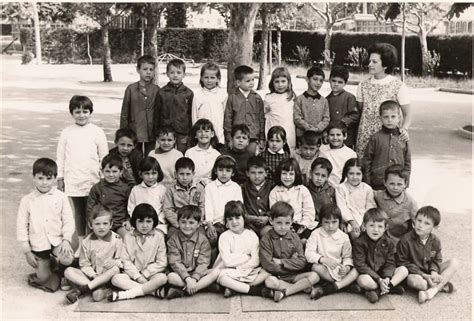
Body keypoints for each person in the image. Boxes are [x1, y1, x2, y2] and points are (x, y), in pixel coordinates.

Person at [56, 95, 108, 253]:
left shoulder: (97, 131)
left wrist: (104, 177)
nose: (81, 115)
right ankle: (81, 244)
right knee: (78, 212)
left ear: (90, 112)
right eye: (77, 111)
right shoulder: (66, 132)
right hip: (73, 177)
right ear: (72, 113)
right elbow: (61, 156)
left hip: (93, 178)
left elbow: (104, 156)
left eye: (85, 111)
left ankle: (94, 243)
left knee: (93, 211)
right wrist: (60, 176)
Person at [17, 158, 75, 292]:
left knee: (67, 257)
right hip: (39, 243)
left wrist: (66, 240)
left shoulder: (61, 197)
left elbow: (68, 220)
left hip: (57, 240)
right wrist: (27, 251)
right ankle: (49, 265)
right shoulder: (27, 200)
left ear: (55, 178)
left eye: (48, 179)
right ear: (33, 178)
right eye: (40, 178)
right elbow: (21, 226)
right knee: (44, 279)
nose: (44, 183)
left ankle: (63, 271)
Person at [356, 43, 411, 158]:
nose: (370, 64)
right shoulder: (362, 85)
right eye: (370, 61)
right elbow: (361, 111)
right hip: (364, 139)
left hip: (388, 140)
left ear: (385, 65)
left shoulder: (398, 86)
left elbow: (407, 114)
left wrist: (404, 129)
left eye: (374, 62)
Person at [397, 206, 458, 304]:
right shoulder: (405, 240)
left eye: (427, 223)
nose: (420, 225)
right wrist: (424, 275)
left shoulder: (435, 240)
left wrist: (433, 272)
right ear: (414, 221)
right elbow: (402, 262)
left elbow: (437, 259)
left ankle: (431, 292)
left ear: (435, 227)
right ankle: (442, 285)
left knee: (454, 262)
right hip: (415, 273)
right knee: (418, 283)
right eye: (419, 220)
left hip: (430, 271)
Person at [260, 201, 319, 302]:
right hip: (276, 277)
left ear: (292, 221)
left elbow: (302, 262)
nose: (283, 227)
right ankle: (299, 288)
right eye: (279, 223)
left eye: (287, 223)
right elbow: (268, 265)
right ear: (271, 221)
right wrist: (291, 262)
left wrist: (281, 262)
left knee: (315, 276)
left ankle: (285, 292)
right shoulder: (266, 239)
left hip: (294, 275)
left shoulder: (294, 237)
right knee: (269, 282)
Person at [108, 204, 167, 301]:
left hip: (152, 274)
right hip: (133, 275)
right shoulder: (128, 236)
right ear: (134, 221)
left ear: (154, 222)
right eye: (140, 221)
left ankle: (127, 294)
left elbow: (162, 262)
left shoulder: (159, 236)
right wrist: (138, 276)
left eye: (148, 221)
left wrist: (145, 274)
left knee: (163, 278)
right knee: (116, 279)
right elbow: (125, 260)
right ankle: (153, 291)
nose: (144, 225)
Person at [64, 206, 122, 304]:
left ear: (111, 224)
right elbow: (84, 264)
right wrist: (94, 275)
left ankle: (83, 289)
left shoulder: (117, 239)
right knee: (68, 271)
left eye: (105, 223)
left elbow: (122, 260)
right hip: (92, 276)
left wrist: (116, 262)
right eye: (97, 224)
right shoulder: (86, 241)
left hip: (109, 277)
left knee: (115, 268)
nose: (101, 227)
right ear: (91, 225)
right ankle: (95, 286)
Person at [214, 201, 271, 298]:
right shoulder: (224, 237)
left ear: (244, 218)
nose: (234, 222)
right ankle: (252, 290)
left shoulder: (251, 235)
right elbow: (227, 261)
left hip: (249, 270)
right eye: (230, 219)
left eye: (237, 218)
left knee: (267, 272)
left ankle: (236, 288)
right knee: (221, 277)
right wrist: (245, 257)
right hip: (229, 270)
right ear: (226, 222)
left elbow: (256, 259)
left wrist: (244, 267)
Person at [352, 208, 408, 303]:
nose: (375, 229)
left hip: (383, 275)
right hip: (370, 276)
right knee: (363, 280)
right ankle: (388, 288)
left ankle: (379, 291)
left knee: (403, 270)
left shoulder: (389, 242)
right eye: (372, 225)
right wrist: (379, 280)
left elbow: (390, 263)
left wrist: (386, 277)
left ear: (385, 228)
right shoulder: (359, 242)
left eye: (380, 226)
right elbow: (360, 265)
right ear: (364, 226)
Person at [305, 204, 360, 300]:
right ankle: (344, 285)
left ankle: (334, 285)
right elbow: (309, 253)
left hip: (338, 269)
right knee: (315, 268)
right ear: (321, 221)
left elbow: (347, 256)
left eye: (334, 222)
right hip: (323, 268)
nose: (330, 226)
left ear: (339, 221)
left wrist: (346, 268)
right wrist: (323, 259)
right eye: (326, 222)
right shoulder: (316, 234)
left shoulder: (344, 237)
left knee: (355, 271)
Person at [166, 205, 221, 299]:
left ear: (198, 224)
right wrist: (187, 278)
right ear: (178, 222)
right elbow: (175, 262)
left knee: (216, 272)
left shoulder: (203, 240)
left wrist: (195, 278)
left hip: (199, 273)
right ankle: (202, 287)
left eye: (191, 222)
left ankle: (184, 290)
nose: (187, 226)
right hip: (181, 275)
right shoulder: (173, 240)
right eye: (183, 222)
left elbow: (204, 263)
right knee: (171, 277)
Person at [363, 100, 411, 191]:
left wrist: (406, 181)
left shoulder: (403, 138)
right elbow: (367, 161)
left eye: (393, 116)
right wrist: (368, 183)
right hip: (378, 183)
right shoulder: (375, 138)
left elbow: (407, 162)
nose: (389, 120)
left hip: (397, 184)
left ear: (399, 118)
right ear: (381, 118)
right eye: (386, 117)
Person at [120, 54, 160, 156]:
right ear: (138, 70)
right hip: (135, 130)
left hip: (151, 131)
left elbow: (160, 111)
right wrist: (123, 133)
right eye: (145, 69)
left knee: (149, 156)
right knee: (134, 156)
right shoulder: (131, 89)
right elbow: (125, 113)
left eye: (151, 69)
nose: (148, 72)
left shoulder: (156, 89)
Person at [269, 158, 317, 242]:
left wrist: (303, 225)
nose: (287, 177)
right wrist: (287, 226)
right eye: (284, 173)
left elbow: (309, 211)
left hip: (302, 225)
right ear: (279, 174)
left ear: (296, 175)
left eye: (291, 174)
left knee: (307, 239)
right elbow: (274, 213)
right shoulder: (275, 192)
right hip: (283, 225)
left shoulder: (302, 190)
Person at [86, 154, 131, 239]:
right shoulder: (97, 188)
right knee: (92, 241)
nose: (111, 174)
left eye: (114, 171)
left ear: (121, 172)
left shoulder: (125, 189)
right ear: (102, 171)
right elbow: (90, 209)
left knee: (127, 237)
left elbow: (130, 207)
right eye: (107, 171)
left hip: (119, 224)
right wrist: (94, 223)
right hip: (101, 224)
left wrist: (128, 220)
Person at [224, 65, 265, 155]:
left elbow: (261, 118)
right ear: (238, 83)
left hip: (253, 138)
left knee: (250, 158)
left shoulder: (257, 98)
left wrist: (262, 138)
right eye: (248, 81)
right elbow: (228, 119)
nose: (251, 83)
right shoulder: (233, 98)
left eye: (253, 80)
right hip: (237, 138)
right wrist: (229, 139)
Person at [204, 155, 243, 248]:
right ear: (215, 171)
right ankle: (212, 262)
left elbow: (238, 208)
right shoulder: (210, 187)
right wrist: (209, 224)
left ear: (233, 173)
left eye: (228, 171)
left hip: (231, 222)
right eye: (221, 170)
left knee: (235, 240)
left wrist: (232, 223)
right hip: (214, 224)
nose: (224, 174)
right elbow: (208, 207)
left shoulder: (236, 187)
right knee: (212, 238)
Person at [157, 58, 194, 153]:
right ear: (167, 74)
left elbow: (191, 114)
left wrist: (190, 132)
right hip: (166, 132)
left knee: (181, 155)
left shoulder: (188, 93)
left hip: (183, 131)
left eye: (178, 72)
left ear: (184, 74)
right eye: (172, 72)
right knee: (167, 155)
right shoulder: (161, 92)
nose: (175, 75)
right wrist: (158, 130)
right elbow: (157, 113)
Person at [374, 165, 418, 243]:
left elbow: (418, 224)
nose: (395, 187)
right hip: (380, 238)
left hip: (400, 240)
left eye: (399, 184)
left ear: (405, 184)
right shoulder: (377, 196)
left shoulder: (411, 202)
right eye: (392, 183)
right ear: (385, 182)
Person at [163, 157, 205, 238]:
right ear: (175, 174)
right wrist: (179, 224)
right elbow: (168, 210)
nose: (185, 178)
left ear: (193, 174)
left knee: (202, 237)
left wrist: (197, 222)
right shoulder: (171, 189)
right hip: (178, 222)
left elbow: (202, 206)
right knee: (171, 236)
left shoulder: (199, 188)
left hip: (195, 222)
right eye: (181, 174)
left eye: (188, 174)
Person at [335, 158, 376, 239]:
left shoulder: (367, 188)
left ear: (362, 174)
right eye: (351, 173)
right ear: (346, 174)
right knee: (356, 234)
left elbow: (370, 206)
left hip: (365, 219)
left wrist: (365, 222)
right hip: (349, 220)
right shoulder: (341, 188)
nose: (354, 177)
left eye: (358, 174)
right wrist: (352, 222)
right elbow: (342, 207)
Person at [127, 157, 168, 235]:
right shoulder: (136, 190)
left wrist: (157, 221)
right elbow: (131, 207)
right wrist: (138, 221)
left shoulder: (162, 190)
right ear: (140, 174)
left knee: (156, 236)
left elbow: (164, 209)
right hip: (139, 223)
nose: (150, 177)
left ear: (158, 173)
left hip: (158, 224)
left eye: (153, 173)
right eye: (147, 173)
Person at [192, 62, 227, 144]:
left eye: (212, 77)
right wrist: (195, 133)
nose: (209, 80)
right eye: (206, 77)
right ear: (201, 78)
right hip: (202, 134)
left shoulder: (223, 95)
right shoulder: (198, 95)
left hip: (218, 132)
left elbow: (225, 115)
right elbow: (194, 116)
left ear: (218, 79)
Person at [293, 66, 330, 143]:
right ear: (307, 79)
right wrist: (307, 127)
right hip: (302, 137)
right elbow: (297, 117)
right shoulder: (299, 99)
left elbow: (326, 119)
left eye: (321, 81)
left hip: (318, 137)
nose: (318, 83)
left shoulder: (324, 101)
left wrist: (317, 128)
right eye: (315, 79)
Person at [326, 65, 359, 149]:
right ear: (329, 80)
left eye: (340, 82)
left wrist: (343, 122)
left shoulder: (349, 97)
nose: (336, 84)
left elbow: (355, 115)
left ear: (345, 83)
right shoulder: (326, 99)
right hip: (331, 137)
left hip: (345, 138)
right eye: (333, 81)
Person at [264, 67, 297, 151]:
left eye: (283, 81)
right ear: (272, 83)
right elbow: (264, 116)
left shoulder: (292, 97)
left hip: (289, 134)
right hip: (273, 135)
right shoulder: (268, 98)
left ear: (288, 82)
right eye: (277, 82)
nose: (280, 85)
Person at [241, 156, 274, 236]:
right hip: (249, 224)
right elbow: (241, 207)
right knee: (247, 235)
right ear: (247, 173)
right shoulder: (243, 187)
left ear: (266, 173)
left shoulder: (272, 186)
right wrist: (248, 217)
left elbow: (276, 205)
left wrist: (267, 217)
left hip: (267, 223)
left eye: (260, 172)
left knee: (268, 233)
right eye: (253, 173)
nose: (257, 176)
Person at [319, 121, 357, 187]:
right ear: (327, 136)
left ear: (345, 136)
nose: (335, 138)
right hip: (326, 187)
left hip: (344, 187)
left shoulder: (351, 153)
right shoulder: (322, 150)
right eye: (332, 135)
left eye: (338, 135)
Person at [185, 118, 221, 184]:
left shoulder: (216, 154)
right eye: (200, 131)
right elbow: (187, 173)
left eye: (207, 131)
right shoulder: (189, 153)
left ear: (212, 134)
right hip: (193, 185)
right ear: (195, 135)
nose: (203, 134)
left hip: (211, 186)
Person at [307, 157, 336, 222]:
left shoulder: (331, 191)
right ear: (310, 173)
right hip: (310, 223)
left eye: (323, 176)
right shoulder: (305, 189)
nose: (319, 178)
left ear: (327, 177)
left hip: (327, 222)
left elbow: (335, 210)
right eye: (317, 174)